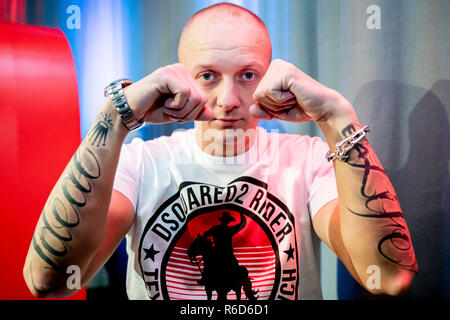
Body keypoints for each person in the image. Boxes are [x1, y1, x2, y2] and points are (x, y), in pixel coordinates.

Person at [23, 3, 418, 300]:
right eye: (208, 76)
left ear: (271, 78)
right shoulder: (139, 163)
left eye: (248, 76)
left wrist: (337, 116)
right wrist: (115, 114)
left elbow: (388, 277)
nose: (228, 100)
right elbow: (48, 281)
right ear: (180, 79)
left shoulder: (310, 159)